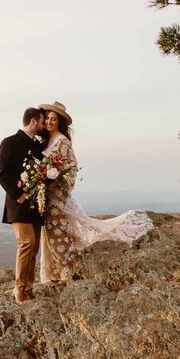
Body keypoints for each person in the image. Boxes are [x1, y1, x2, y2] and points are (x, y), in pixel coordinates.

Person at [38, 101, 154, 283]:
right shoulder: (46, 141)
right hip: (47, 197)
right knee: (50, 236)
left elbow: (72, 167)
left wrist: (57, 183)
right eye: (47, 119)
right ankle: (55, 273)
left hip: (57, 198)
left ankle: (67, 274)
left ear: (59, 122)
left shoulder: (62, 141)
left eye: (53, 119)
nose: (50, 122)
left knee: (59, 235)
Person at [0, 107, 45, 304]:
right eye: (42, 122)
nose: (43, 126)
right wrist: (19, 195)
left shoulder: (38, 146)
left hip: (36, 205)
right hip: (18, 204)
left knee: (34, 248)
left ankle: (29, 286)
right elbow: (1, 172)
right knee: (26, 243)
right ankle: (18, 289)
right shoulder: (10, 142)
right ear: (33, 122)